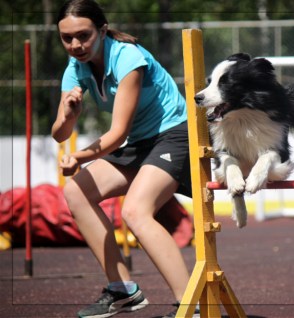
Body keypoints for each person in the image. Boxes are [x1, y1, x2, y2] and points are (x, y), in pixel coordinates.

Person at [52, 1, 198, 317]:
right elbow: (60, 134)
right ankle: (123, 290)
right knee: (76, 191)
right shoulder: (75, 68)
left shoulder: (128, 58)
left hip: (176, 134)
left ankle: (193, 305)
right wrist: (68, 115)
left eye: (83, 35)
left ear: (102, 30)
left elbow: (117, 134)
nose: (76, 45)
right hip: (142, 142)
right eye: (67, 38)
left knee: (135, 211)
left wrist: (77, 156)